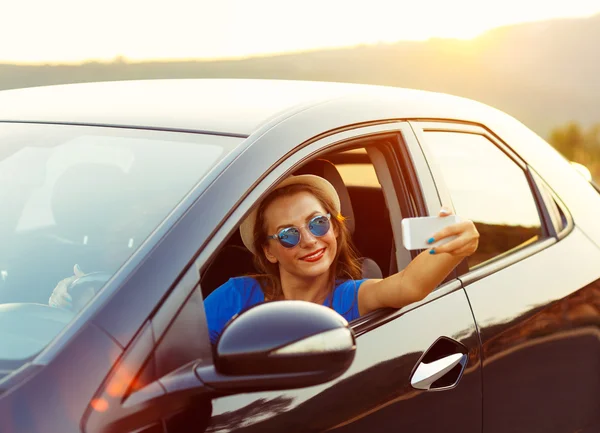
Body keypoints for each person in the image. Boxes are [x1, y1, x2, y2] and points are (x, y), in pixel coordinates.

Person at [204, 174, 479, 344]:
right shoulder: (234, 296)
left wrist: (458, 244)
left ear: (335, 228)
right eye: (289, 235)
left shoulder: (351, 297)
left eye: (318, 223)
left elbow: (409, 285)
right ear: (269, 251)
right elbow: (179, 357)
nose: (310, 240)